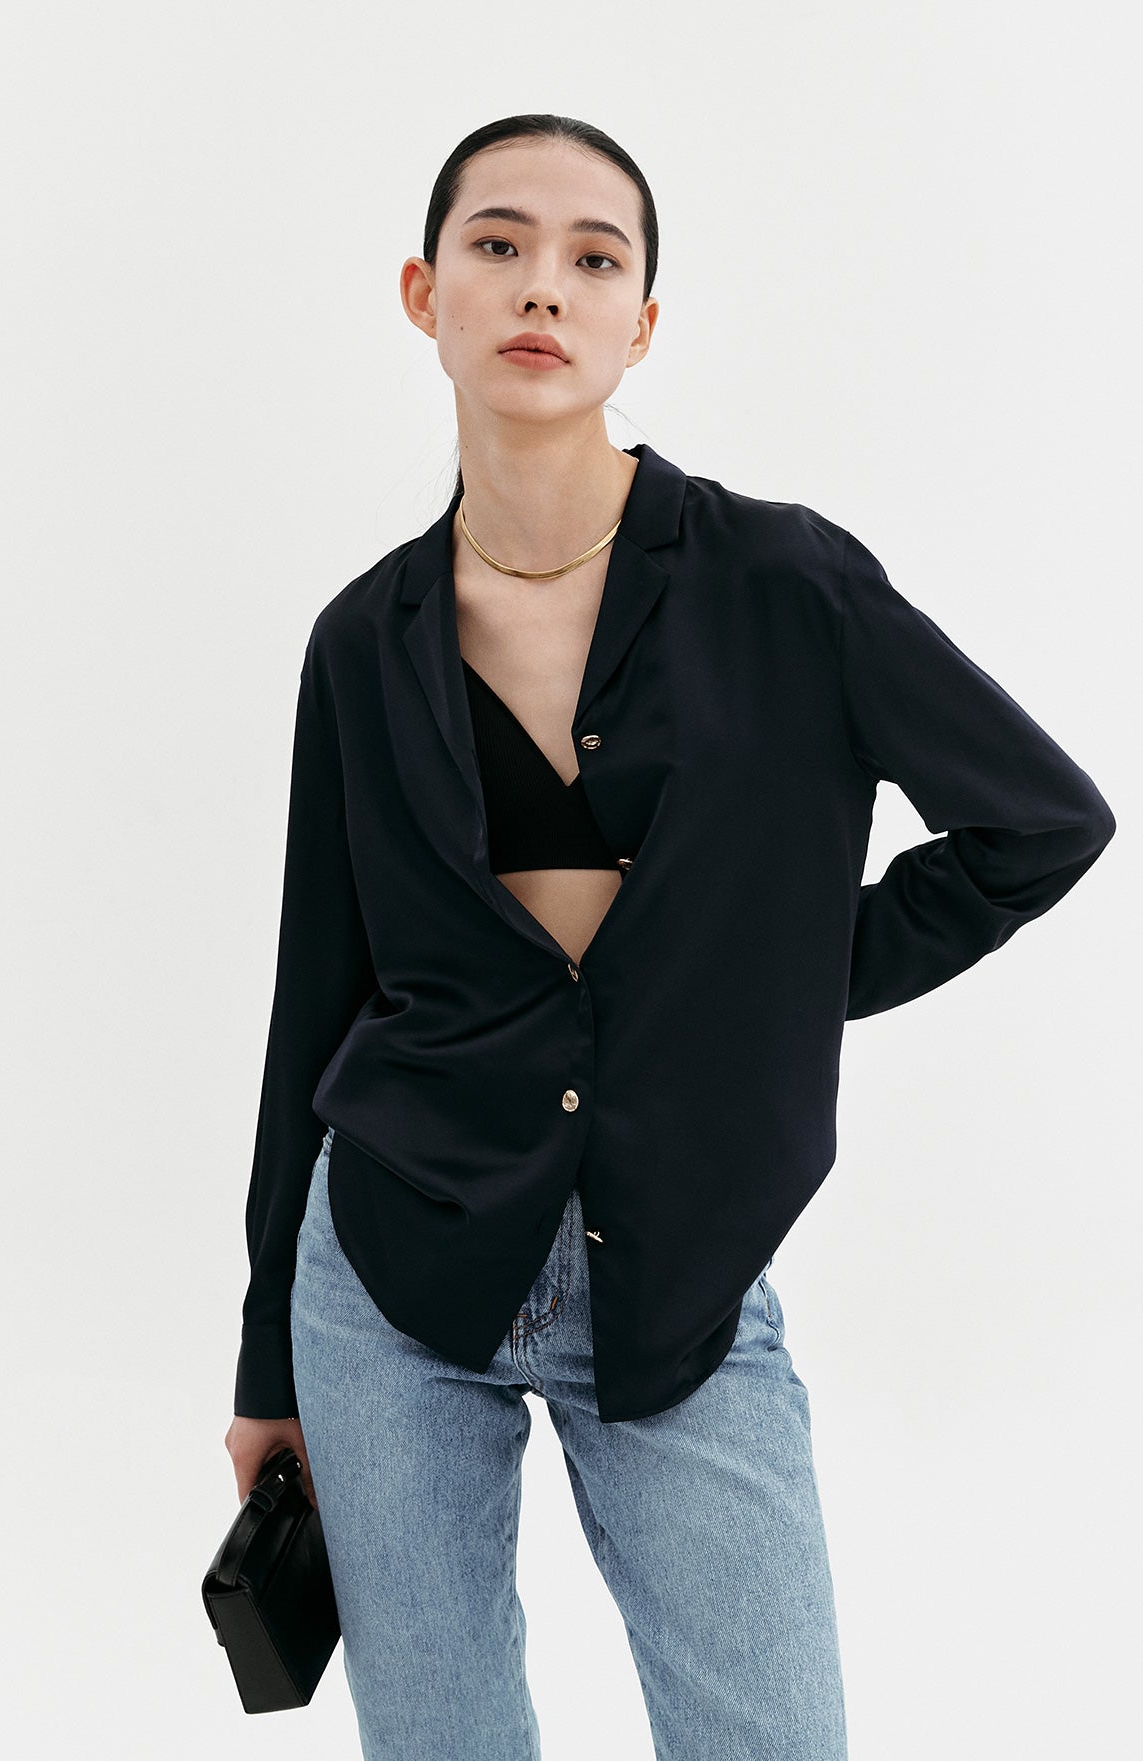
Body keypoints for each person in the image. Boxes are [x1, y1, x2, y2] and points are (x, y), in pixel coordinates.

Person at [223, 114, 1115, 1760]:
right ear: (424, 294)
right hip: (391, 1277)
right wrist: (265, 1351)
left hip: (679, 1282)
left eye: (592, 257)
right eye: (497, 245)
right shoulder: (362, 639)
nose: (540, 286)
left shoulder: (788, 582)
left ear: (642, 322)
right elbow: (315, 1000)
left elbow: (1040, 823)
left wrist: (772, 987)